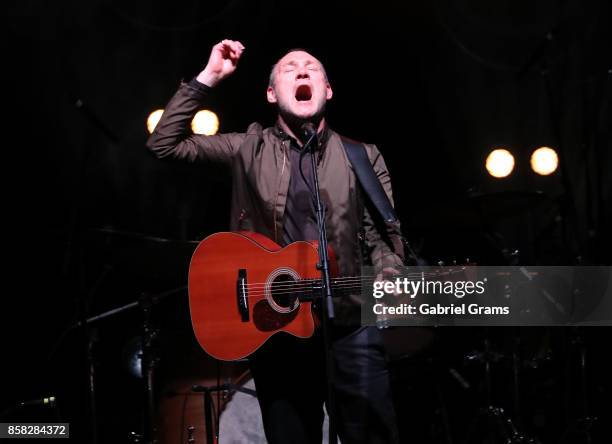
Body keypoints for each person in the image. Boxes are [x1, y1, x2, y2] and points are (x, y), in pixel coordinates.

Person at [147, 39, 405, 444]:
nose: (302, 70)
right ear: (271, 93)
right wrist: (209, 77)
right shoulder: (248, 147)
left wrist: (390, 268)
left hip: (351, 327)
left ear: (328, 89)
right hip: (276, 328)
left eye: (312, 67)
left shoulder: (362, 155)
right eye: (289, 68)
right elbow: (164, 144)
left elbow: (380, 237)